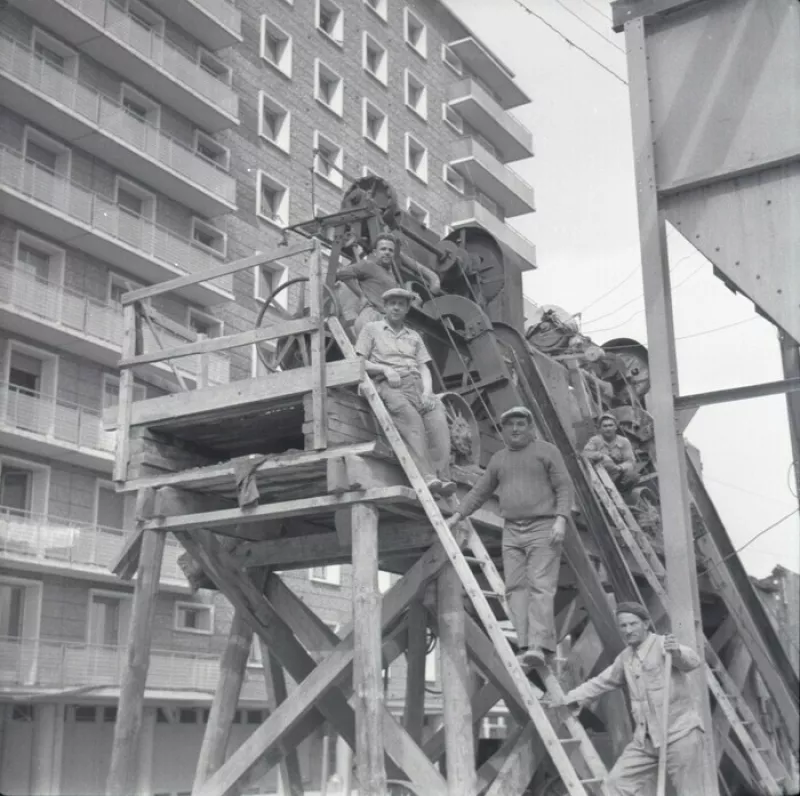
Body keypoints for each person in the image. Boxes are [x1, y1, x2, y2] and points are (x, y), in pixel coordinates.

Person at [447, 406, 572, 666]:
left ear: (530, 427)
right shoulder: (499, 459)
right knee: (514, 587)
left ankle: (540, 645)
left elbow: (564, 486)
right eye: (509, 425)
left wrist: (561, 519)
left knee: (540, 585)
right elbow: (480, 491)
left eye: (520, 424)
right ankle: (526, 644)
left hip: (543, 526)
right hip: (512, 529)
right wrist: (457, 515)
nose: (515, 429)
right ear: (503, 431)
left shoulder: (547, 451)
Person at [549, 601, 705, 796]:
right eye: (623, 626)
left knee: (692, 793)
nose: (628, 630)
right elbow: (601, 682)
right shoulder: (626, 658)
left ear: (646, 624)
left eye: (633, 624)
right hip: (645, 741)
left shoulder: (663, 646)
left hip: (679, 734)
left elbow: (692, 662)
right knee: (615, 785)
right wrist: (569, 698)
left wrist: (678, 652)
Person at [355, 287, 456, 496]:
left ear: (407, 309)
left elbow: (424, 367)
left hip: (417, 385)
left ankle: (442, 477)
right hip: (389, 384)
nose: (396, 307)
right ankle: (427, 477)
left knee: (438, 418)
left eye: (401, 304)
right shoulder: (371, 329)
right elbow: (358, 362)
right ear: (385, 306)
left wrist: (428, 392)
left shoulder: (414, 336)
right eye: (392, 303)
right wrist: (384, 369)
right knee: (413, 422)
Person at [336, 232, 440, 336]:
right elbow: (343, 273)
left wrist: (411, 298)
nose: (387, 252)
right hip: (372, 317)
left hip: (384, 321)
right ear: (375, 252)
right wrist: (361, 296)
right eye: (383, 249)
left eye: (390, 250)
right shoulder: (368, 265)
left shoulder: (391, 276)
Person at [582, 413, 638, 489]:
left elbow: (631, 462)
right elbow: (585, 453)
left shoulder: (624, 441)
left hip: (618, 476)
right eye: (605, 426)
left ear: (616, 427)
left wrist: (619, 467)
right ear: (600, 428)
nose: (608, 428)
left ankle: (623, 494)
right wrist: (601, 455)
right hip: (600, 476)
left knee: (633, 476)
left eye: (610, 425)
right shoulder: (595, 440)